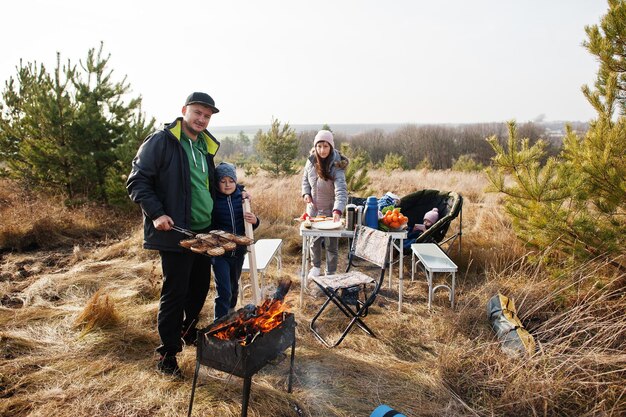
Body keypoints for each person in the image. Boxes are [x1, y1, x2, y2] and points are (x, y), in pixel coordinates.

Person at [126, 92, 220, 377]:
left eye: (207, 115)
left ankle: (187, 332)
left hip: (204, 232)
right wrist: (156, 213)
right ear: (184, 111)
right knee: (175, 292)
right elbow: (137, 180)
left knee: (199, 287)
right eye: (197, 113)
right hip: (176, 232)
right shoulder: (162, 141)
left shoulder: (205, 146)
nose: (202, 119)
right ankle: (167, 355)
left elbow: (207, 186)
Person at [211, 162, 260, 320]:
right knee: (224, 290)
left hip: (239, 253)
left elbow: (250, 225)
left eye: (231, 181)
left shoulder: (242, 198)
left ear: (236, 182)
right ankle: (218, 323)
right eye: (223, 181)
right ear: (217, 182)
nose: (227, 185)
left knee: (233, 288)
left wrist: (255, 220)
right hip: (220, 254)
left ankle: (230, 314)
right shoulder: (213, 199)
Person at [301, 130, 349, 278]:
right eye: (319, 146)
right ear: (315, 146)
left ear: (331, 147)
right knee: (313, 242)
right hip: (313, 211)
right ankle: (315, 267)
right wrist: (306, 194)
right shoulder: (310, 162)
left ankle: (331, 273)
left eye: (325, 146)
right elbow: (305, 181)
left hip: (330, 212)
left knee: (331, 245)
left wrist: (337, 210)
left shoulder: (337, 165)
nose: (322, 150)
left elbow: (341, 191)